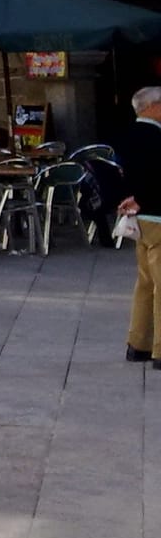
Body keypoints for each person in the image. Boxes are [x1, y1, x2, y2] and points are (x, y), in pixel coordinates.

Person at [115, 87, 161, 366]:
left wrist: (129, 198)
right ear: (152, 107)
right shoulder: (156, 138)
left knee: (145, 282)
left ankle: (138, 343)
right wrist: (142, 198)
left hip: (137, 219)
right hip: (157, 215)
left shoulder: (125, 135)